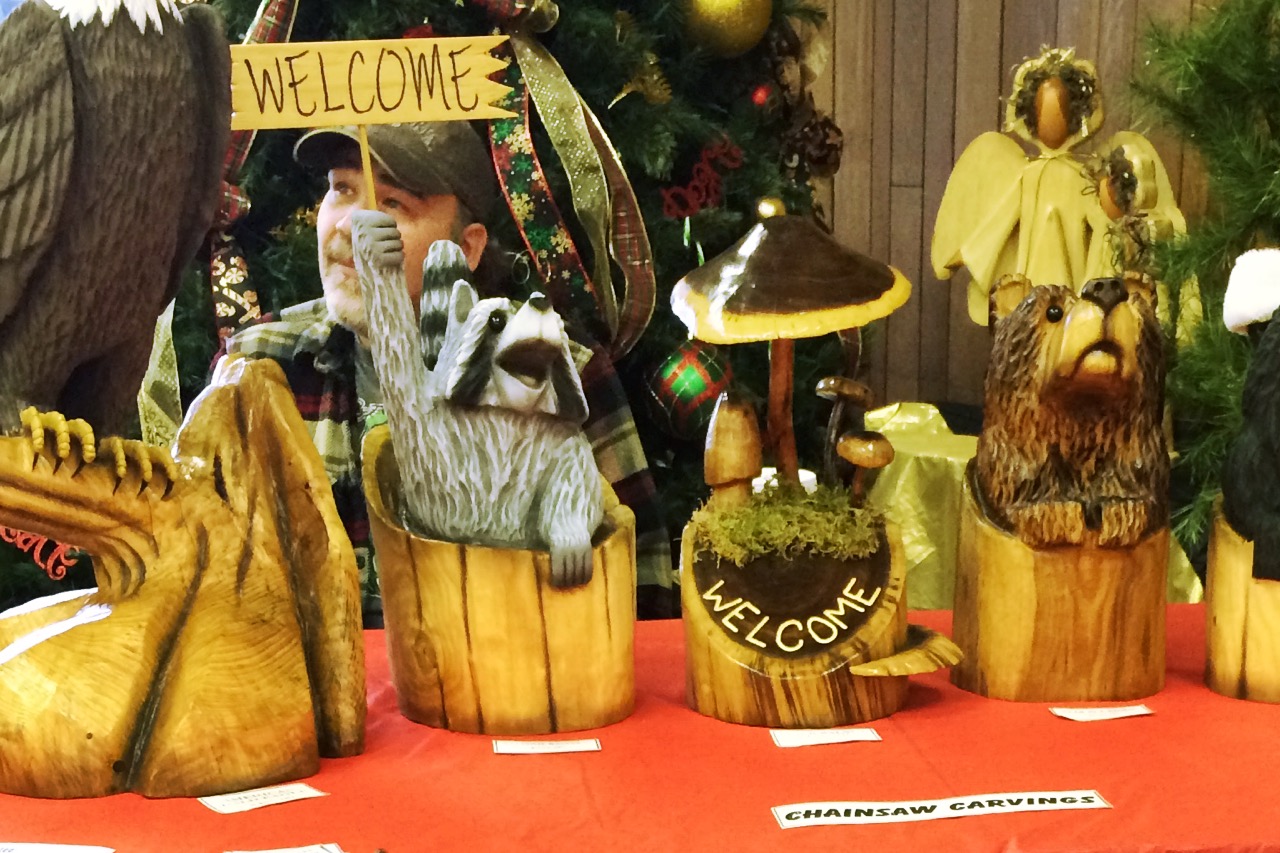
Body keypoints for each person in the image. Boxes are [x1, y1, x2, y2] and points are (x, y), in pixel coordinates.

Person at [226, 121, 677, 620]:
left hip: (507, 674)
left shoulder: (549, 366)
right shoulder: (260, 365)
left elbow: (643, 587)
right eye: (342, 189)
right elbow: (216, 577)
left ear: (466, 249)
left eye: (393, 203)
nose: (353, 224)